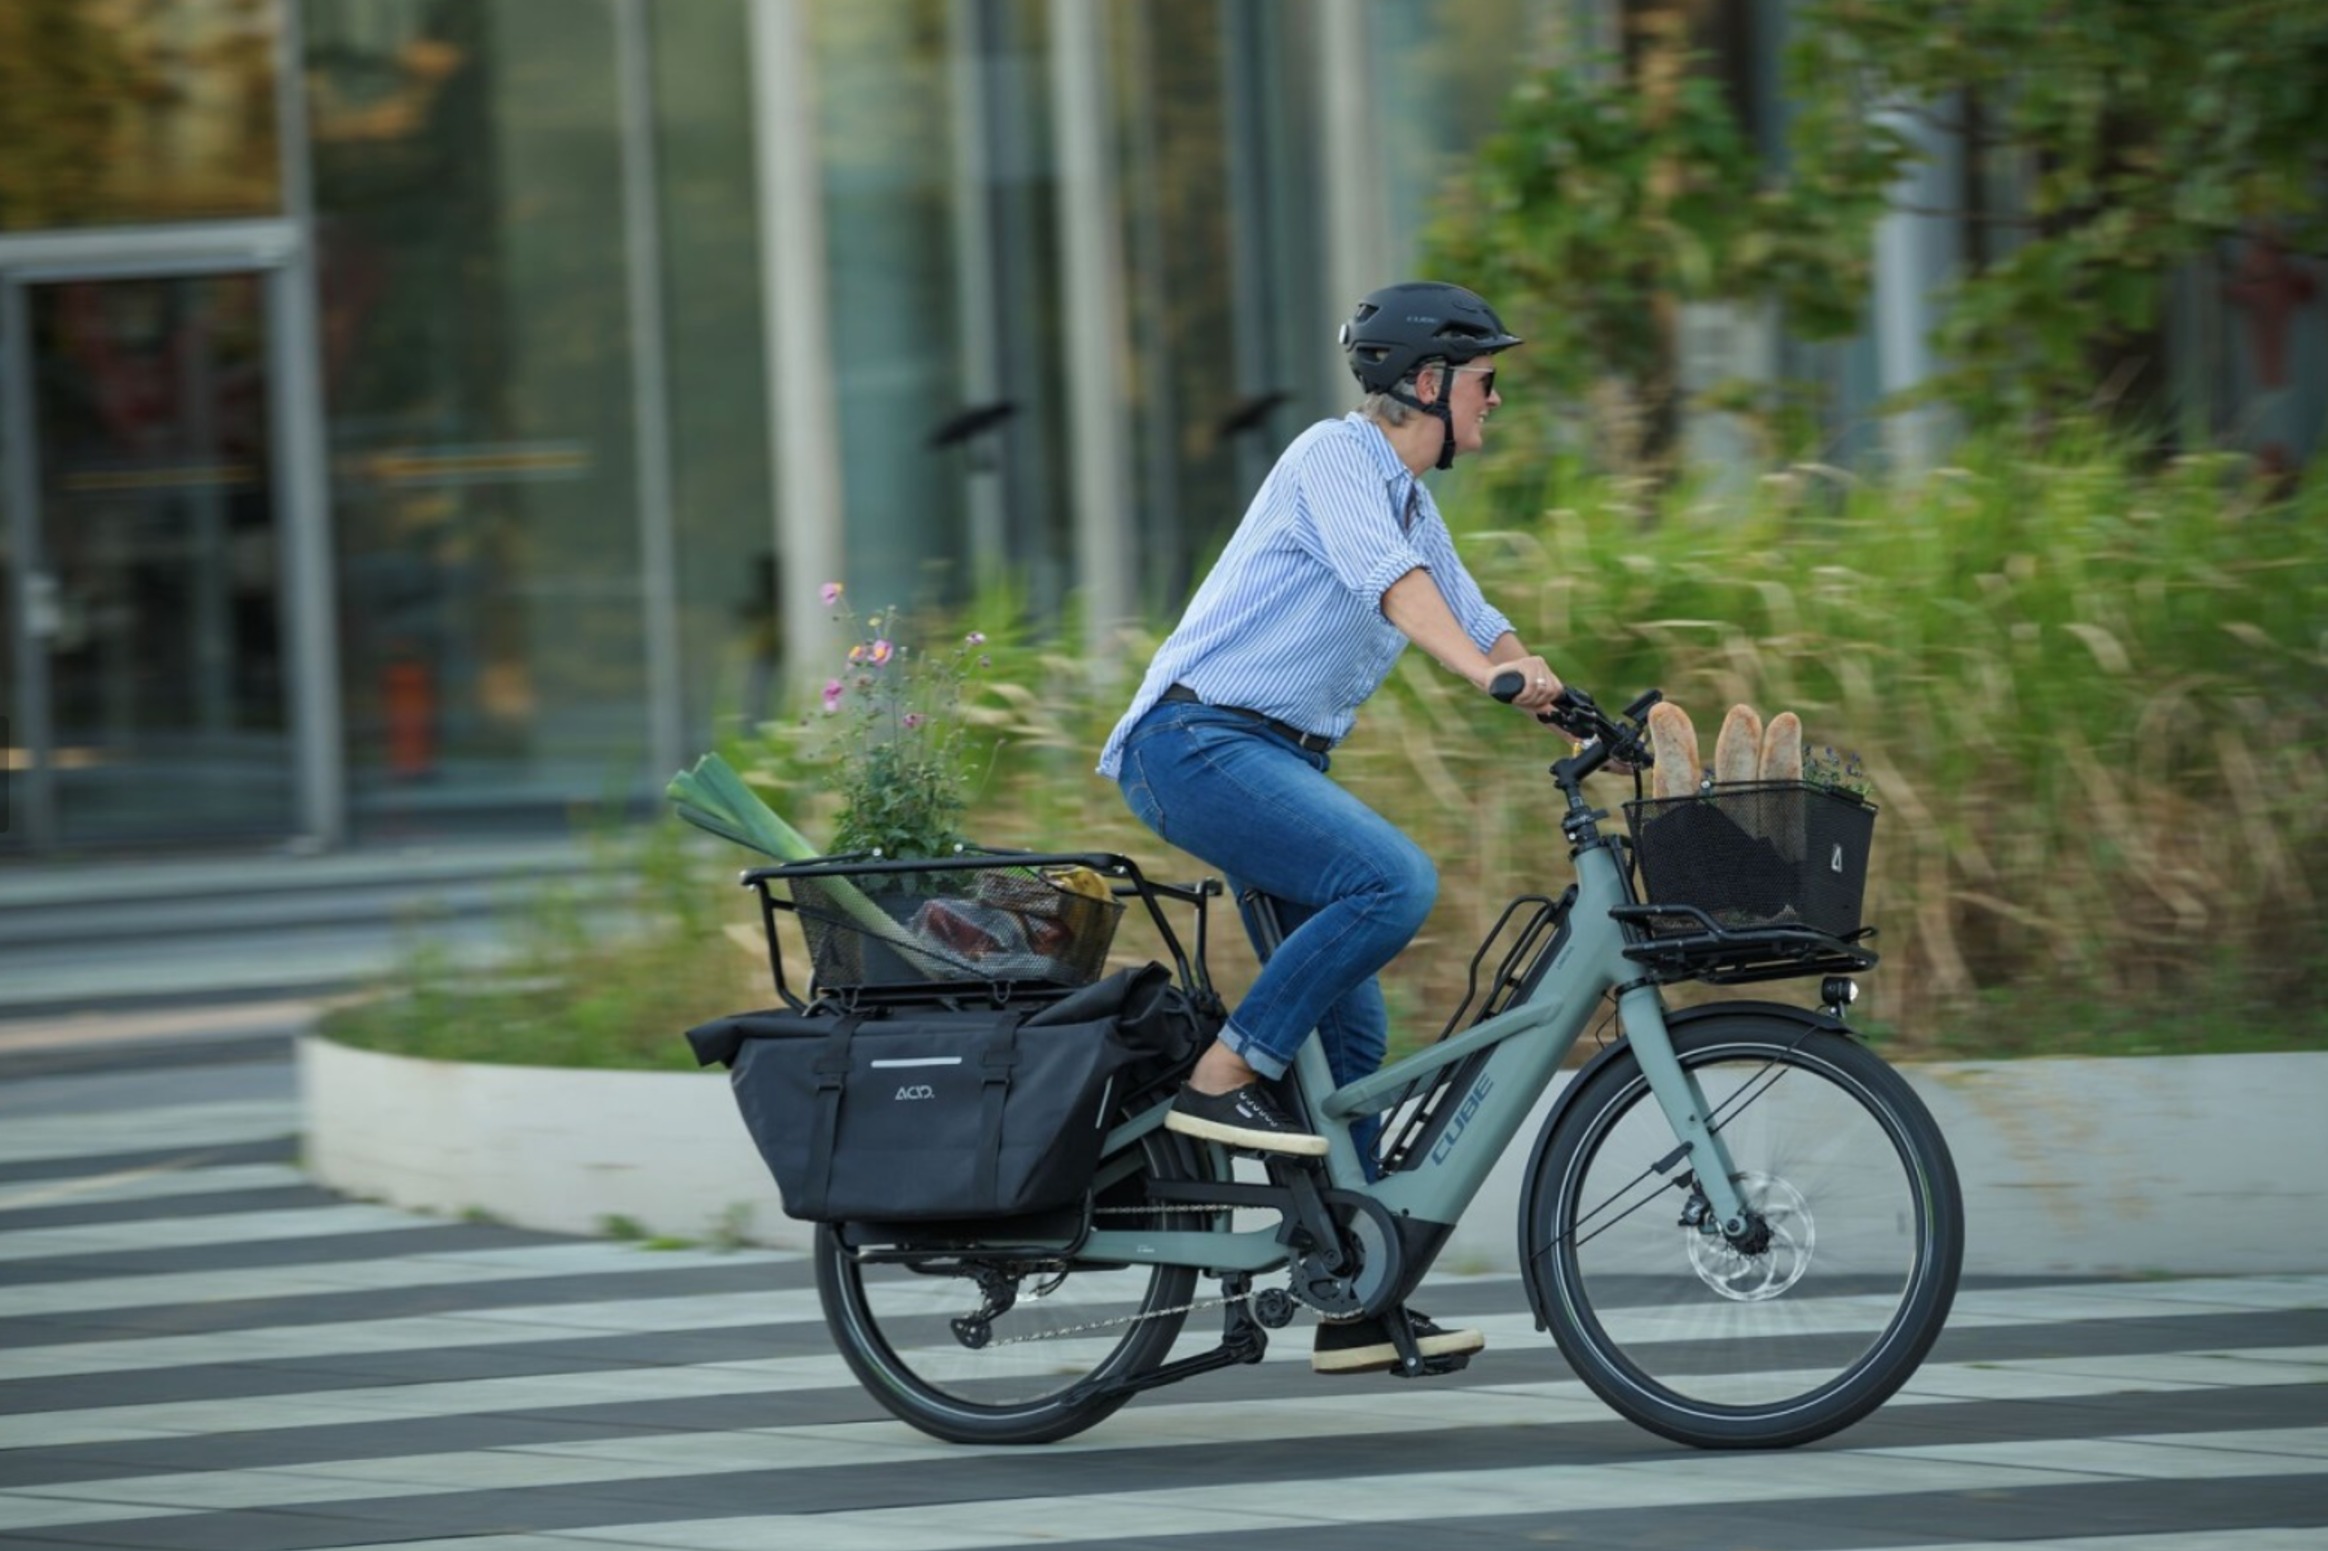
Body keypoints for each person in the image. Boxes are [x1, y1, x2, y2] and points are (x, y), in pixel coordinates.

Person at [1096, 280, 1571, 1374]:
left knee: (1353, 1046)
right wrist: (1483, 676)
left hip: (1268, 758)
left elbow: (1472, 611)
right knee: (1392, 884)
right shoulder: (1334, 458)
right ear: (1426, 383)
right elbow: (1399, 592)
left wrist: (1556, 692)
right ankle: (1221, 1078)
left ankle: (1356, 1290)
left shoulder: (1412, 500)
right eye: (1486, 381)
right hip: (1199, 744)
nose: (1496, 401)